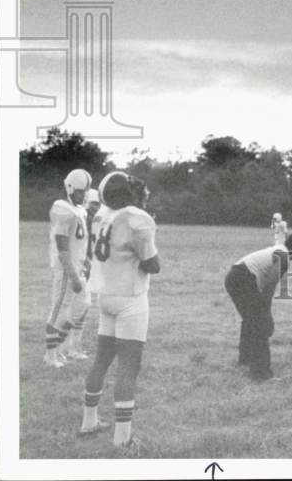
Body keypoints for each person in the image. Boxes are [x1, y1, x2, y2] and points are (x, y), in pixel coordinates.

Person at [79, 171, 160, 449]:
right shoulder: (137, 218)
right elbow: (153, 265)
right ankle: (122, 439)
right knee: (128, 366)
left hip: (106, 295)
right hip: (130, 298)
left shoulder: (103, 214)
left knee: (102, 360)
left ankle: (89, 421)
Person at [225, 233, 292, 382]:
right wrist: (266, 313)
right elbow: (269, 285)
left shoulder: (280, 251)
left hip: (234, 276)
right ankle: (261, 374)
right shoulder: (284, 257)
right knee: (259, 325)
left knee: (250, 320)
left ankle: (245, 360)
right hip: (243, 278)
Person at [46, 169, 92, 367]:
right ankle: (50, 355)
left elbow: (78, 242)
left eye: (85, 192)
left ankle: (61, 348)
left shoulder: (79, 210)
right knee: (59, 310)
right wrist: (73, 275)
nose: (84, 195)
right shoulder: (62, 209)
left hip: (77, 267)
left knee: (82, 305)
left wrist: (85, 261)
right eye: (81, 191)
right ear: (70, 188)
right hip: (66, 270)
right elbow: (62, 247)